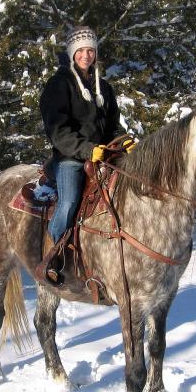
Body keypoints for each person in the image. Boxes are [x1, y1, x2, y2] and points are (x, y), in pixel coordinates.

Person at [39, 26, 127, 245]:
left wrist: (125, 141)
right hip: (70, 158)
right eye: (80, 50)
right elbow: (58, 132)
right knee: (68, 202)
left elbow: (113, 124)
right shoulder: (58, 85)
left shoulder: (104, 88)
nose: (86, 55)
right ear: (72, 53)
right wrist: (87, 149)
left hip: (104, 155)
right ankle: (54, 253)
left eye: (90, 50)